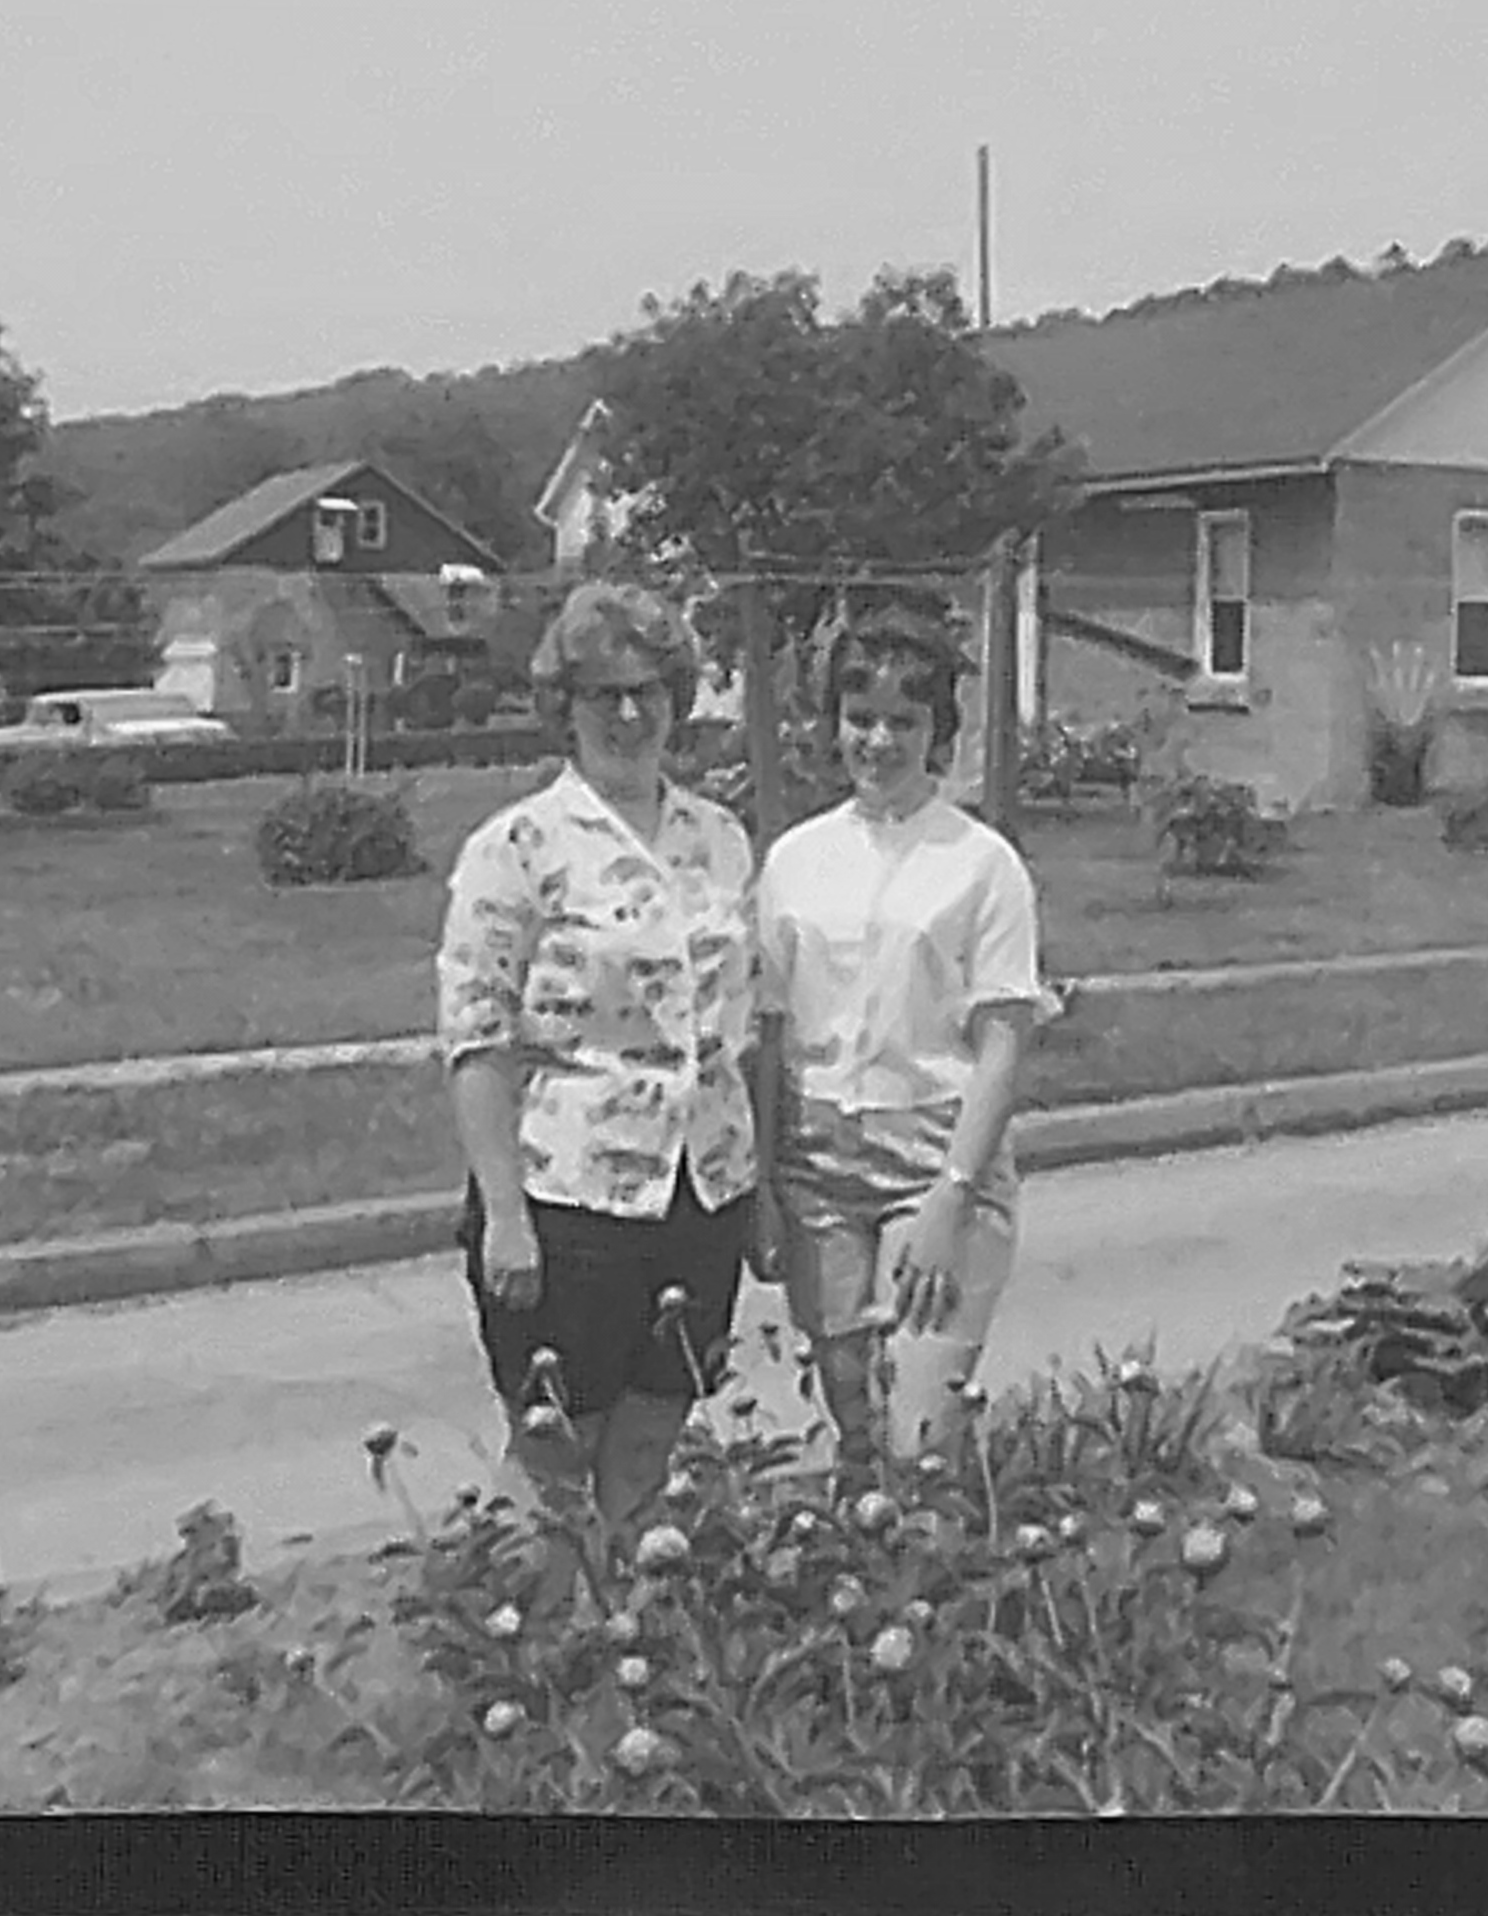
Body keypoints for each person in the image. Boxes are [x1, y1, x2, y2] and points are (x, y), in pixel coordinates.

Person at [435, 580, 760, 1543]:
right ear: (563, 708)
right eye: (602, 694)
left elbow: (746, 1028)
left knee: (652, 1445)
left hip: (702, 1194)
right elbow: (477, 1038)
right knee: (551, 1464)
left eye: (647, 689)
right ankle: (530, 1667)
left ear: (678, 698)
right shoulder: (518, 847)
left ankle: (631, 1651)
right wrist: (503, 1217)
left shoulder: (720, 839)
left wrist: (763, 1197)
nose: (628, 713)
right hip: (567, 1205)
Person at [752, 598, 1055, 1468]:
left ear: (939, 732)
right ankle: (865, 1595)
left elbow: (1004, 1038)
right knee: (854, 1422)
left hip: (938, 1156)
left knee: (919, 1434)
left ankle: (951, 1585)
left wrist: (950, 1197)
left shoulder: (981, 864)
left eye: (903, 722)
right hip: (819, 1165)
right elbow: (770, 1031)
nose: (878, 742)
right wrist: (767, 1182)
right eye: (861, 719)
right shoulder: (796, 860)